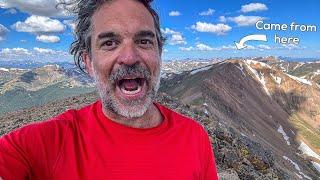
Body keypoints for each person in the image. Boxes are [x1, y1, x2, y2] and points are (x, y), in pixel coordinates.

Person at [0, 0, 218, 179]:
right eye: (109, 43)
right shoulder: (45, 143)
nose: (129, 57)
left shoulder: (195, 137)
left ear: (159, 54)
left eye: (143, 41)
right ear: (88, 62)